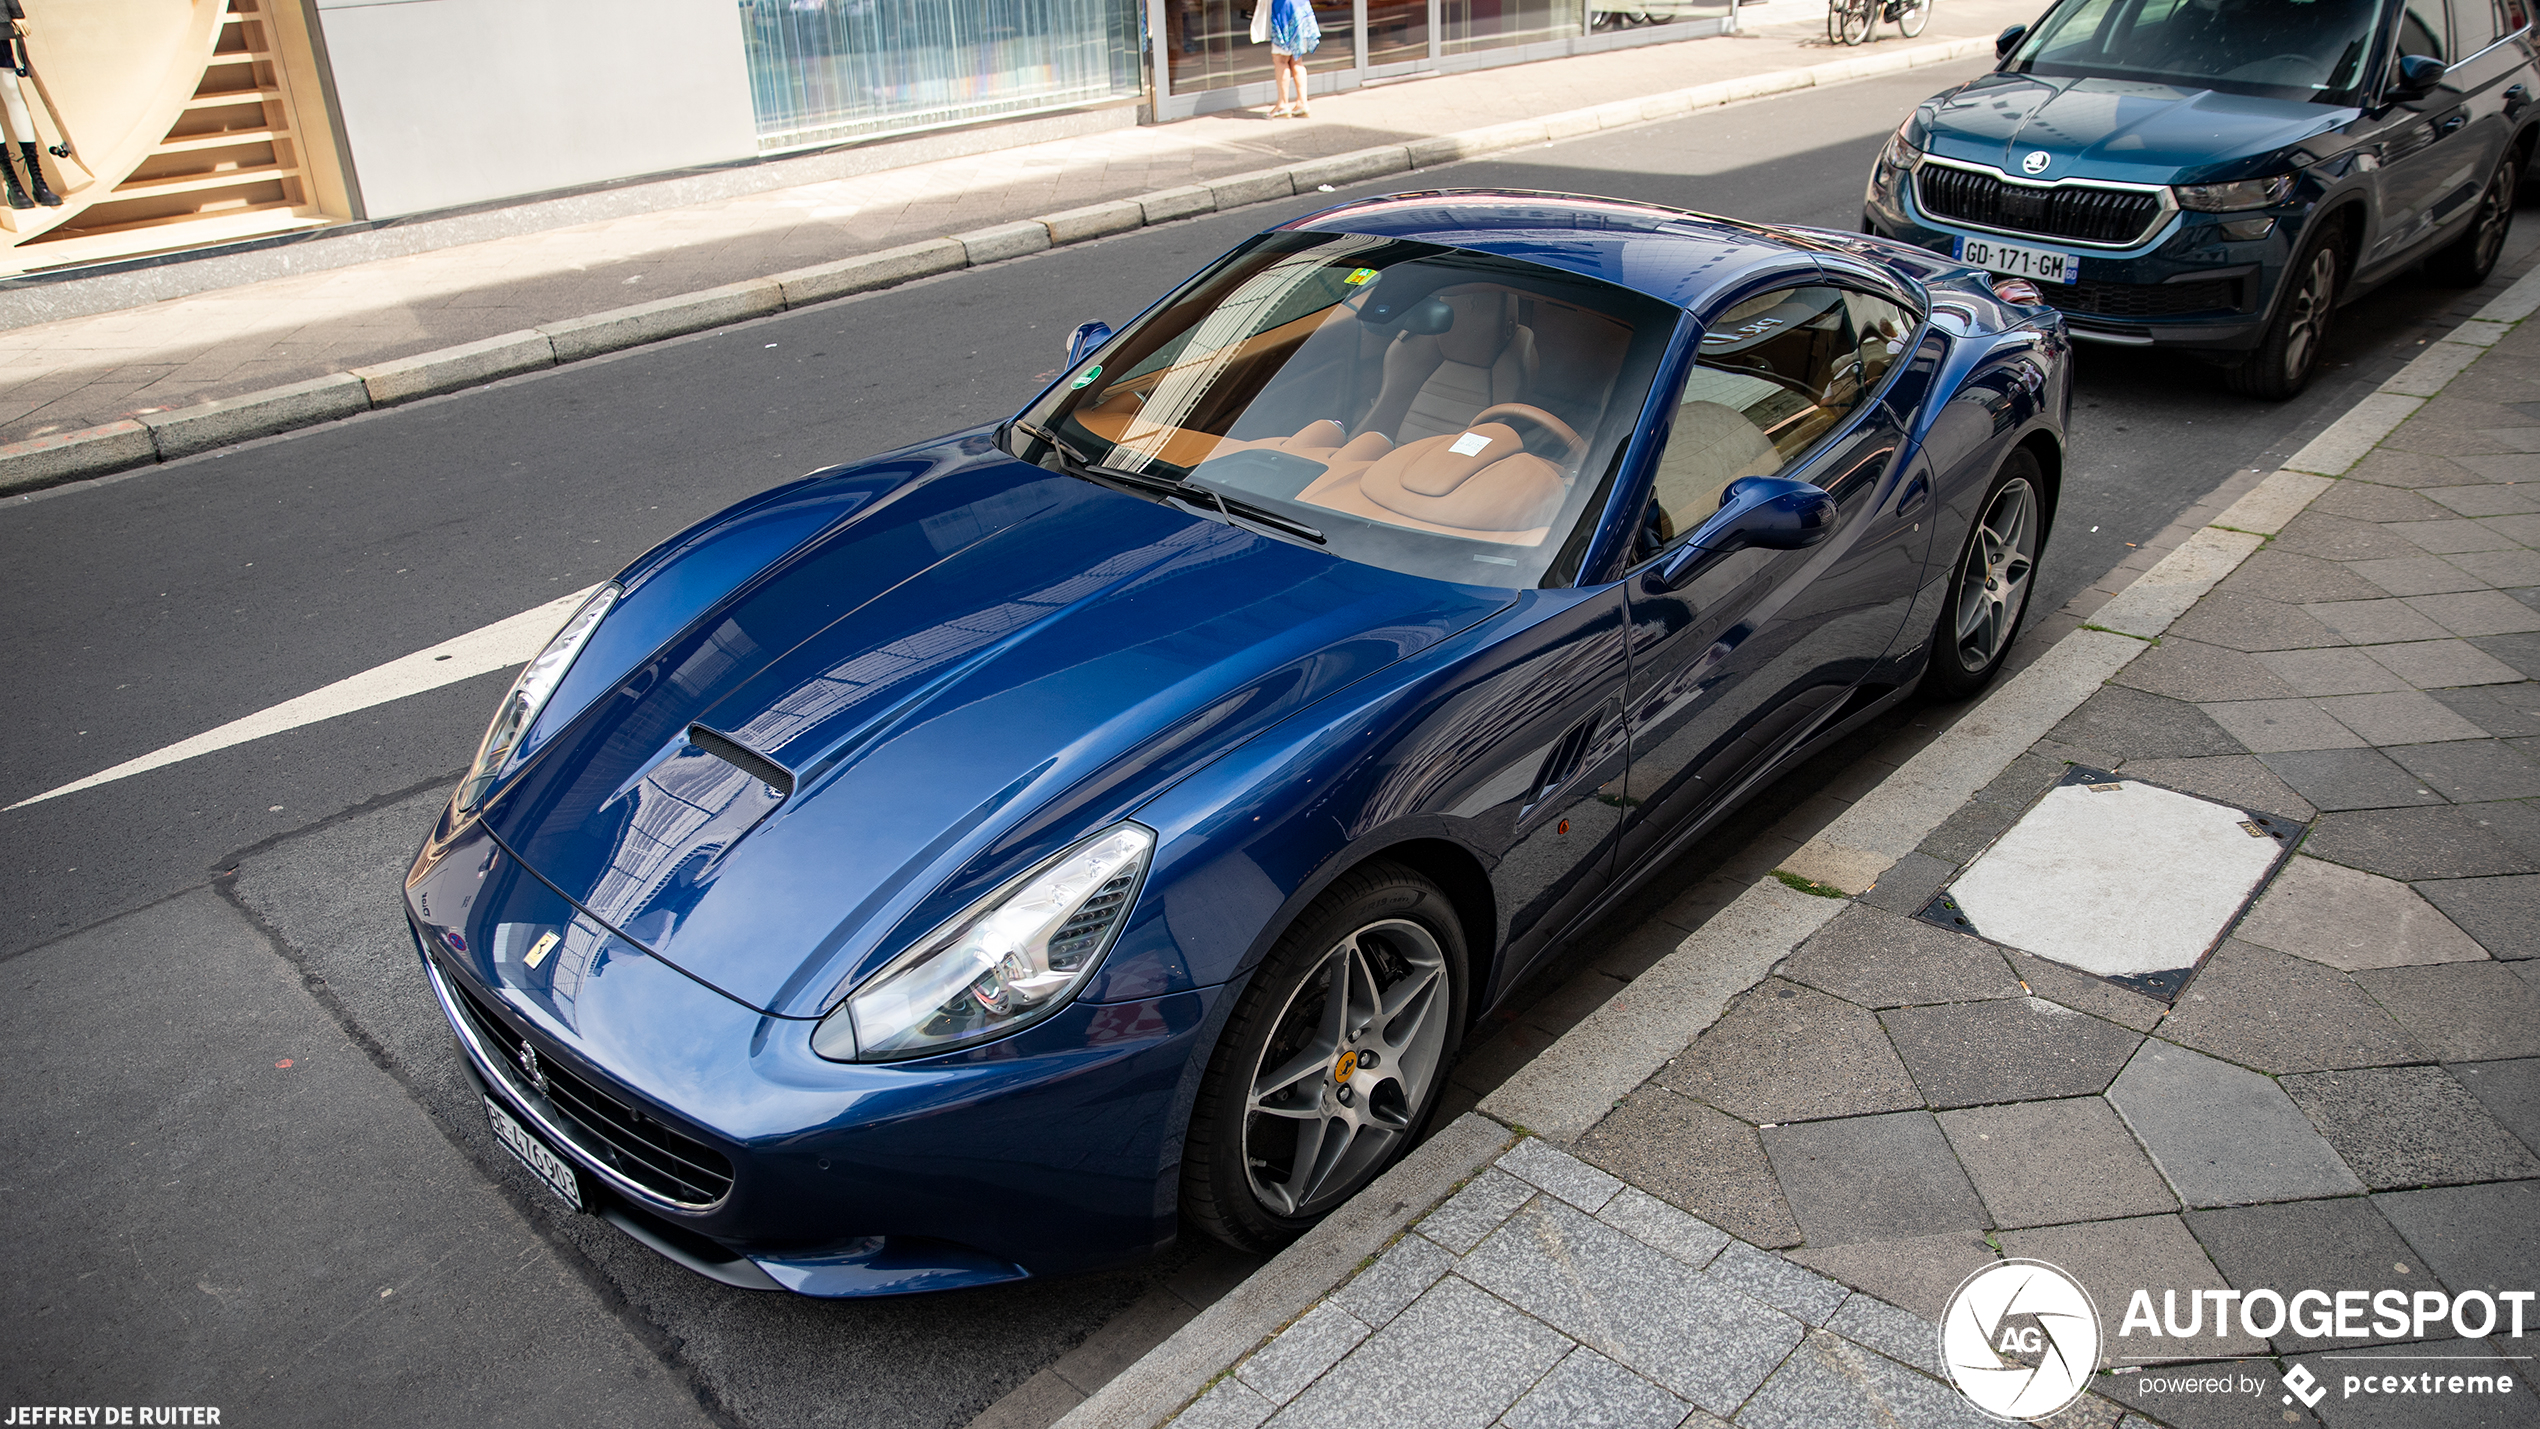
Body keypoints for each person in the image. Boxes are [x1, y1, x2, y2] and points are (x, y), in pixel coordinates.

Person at [1251, 0, 1321, 118]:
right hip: (1301, 8)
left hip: (1285, 10)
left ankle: (1283, 105)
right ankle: (1302, 103)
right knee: (1297, 61)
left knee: (1281, 60)